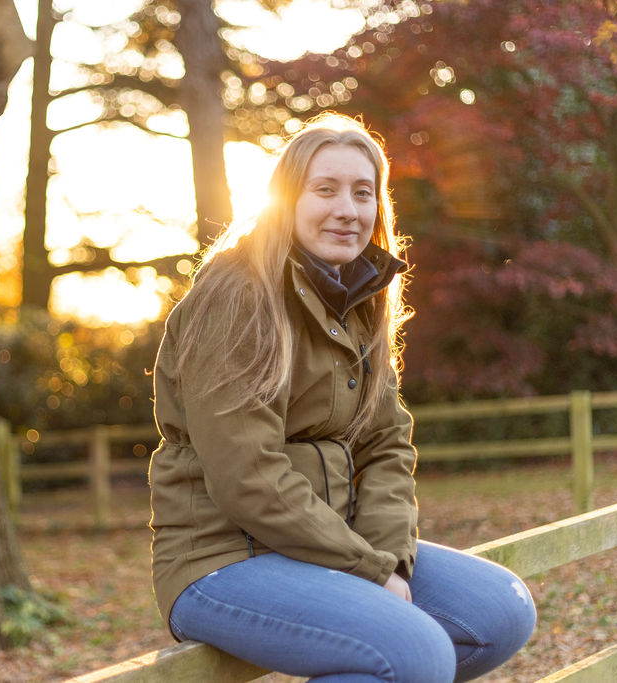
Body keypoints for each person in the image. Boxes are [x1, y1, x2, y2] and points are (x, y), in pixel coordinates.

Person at [147, 112, 536, 682]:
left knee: (498, 611)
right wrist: (370, 571)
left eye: (363, 192)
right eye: (324, 189)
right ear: (285, 198)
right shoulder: (237, 296)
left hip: (332, 543)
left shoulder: (357, 297)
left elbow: (386, 443)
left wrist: (387, 559)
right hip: (221, 558)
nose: (347, 210)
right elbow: (245, 474)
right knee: (417, 652)